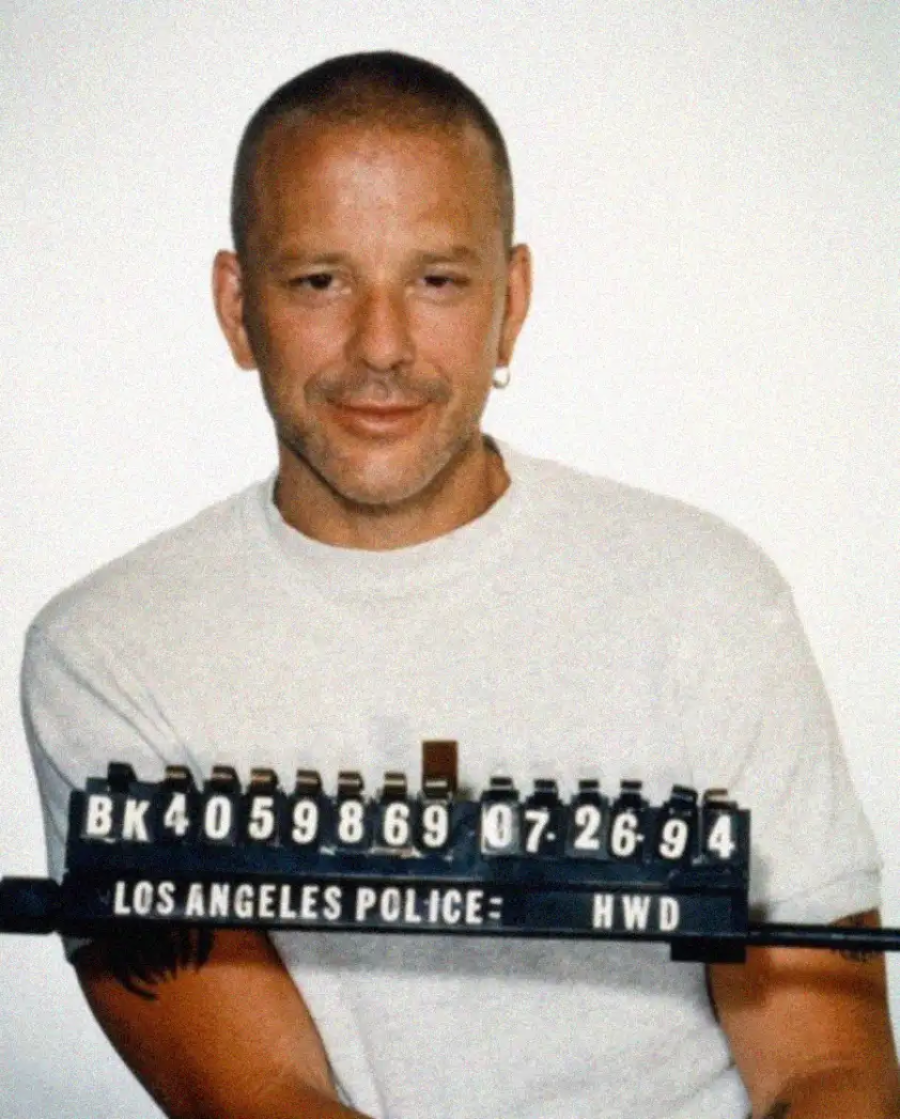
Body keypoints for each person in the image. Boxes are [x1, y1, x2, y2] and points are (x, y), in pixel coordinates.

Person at [20, 50, 899, 1119]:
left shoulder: (707, 596)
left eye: (437, 281)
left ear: (511, 301)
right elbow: (260, 1099)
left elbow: (827, 1071)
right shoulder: (110, 653)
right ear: (237, 305)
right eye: (319, 281)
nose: (381, 347)